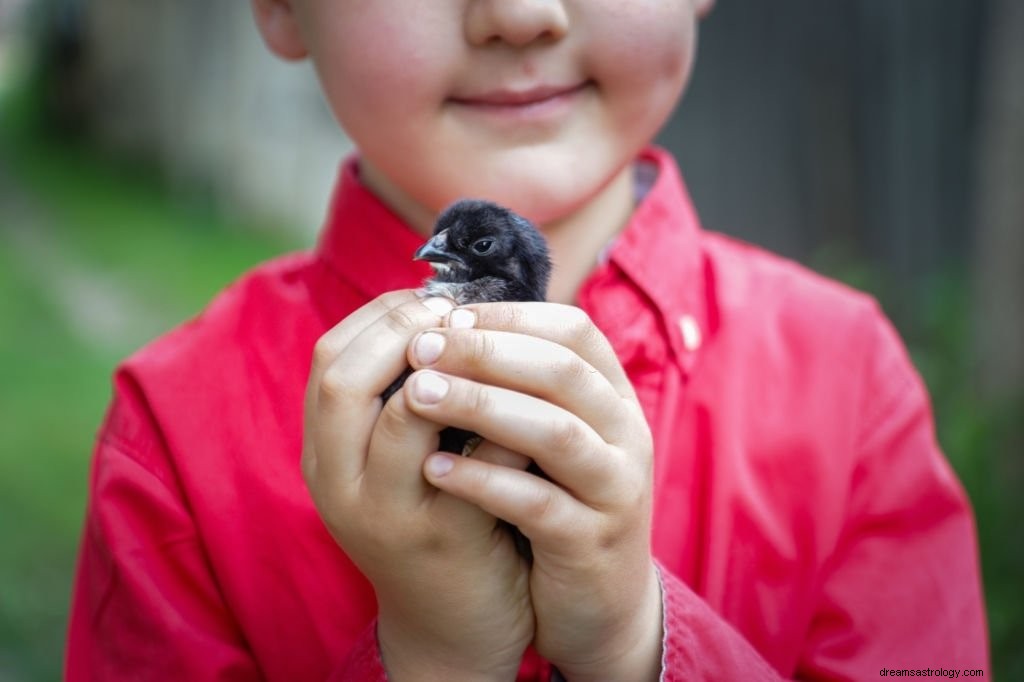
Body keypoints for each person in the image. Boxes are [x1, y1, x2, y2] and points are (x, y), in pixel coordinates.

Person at [65, 1, 989, 679]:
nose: (518, 15)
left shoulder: (850, 387)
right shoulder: (173, 443)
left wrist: (639, 643)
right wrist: (434, 659)